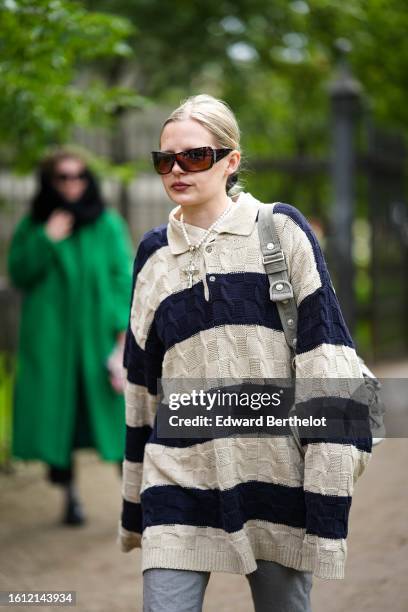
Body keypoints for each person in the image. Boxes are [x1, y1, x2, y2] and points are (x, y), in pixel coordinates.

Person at [118, 95, 372, 612]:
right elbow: (142, 384)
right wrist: (133, 504)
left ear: (231, 160)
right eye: (164, 160)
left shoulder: (280, 231)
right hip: (178, 473)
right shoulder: (153, 252)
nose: (176, 170)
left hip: (274, 469)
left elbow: (325, 359)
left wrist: (324, 493)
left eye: (194, 156)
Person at [8, 149, 133, 526]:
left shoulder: (107, 223)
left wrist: (120, 326)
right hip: (52, 339)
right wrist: (47, 238)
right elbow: (19, 273)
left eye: (78, 176)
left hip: (97, 335)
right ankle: (70, 495)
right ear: (50, 182)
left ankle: (133, 498)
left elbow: (121, 275)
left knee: (113, 417)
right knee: (58, 416)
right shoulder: (35, 224)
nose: (71, 184)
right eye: (62, 177)